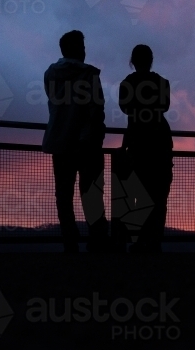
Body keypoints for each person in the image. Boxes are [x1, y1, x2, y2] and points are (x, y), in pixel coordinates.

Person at [43, 30, 109, 253]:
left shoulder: (50, 74)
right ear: (78, 49)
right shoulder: (90, 75)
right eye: (82, 46)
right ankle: (97, 242)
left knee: (63, 195)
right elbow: (96, 109)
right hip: (87, 144)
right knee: (91, 194)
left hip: (59, 141)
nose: (84, 50)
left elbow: (53, 101)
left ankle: (70, 242)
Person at [116, 45, 173, 252]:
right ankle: (154, 242)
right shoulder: (163, 83)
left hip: (138, 142)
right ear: (151, 60)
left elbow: (126, 109)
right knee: (159, 196)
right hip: (160, 142)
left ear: (133, 60)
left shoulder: (126, 84)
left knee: (138, 194)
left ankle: (138, 242)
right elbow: (164, 106)